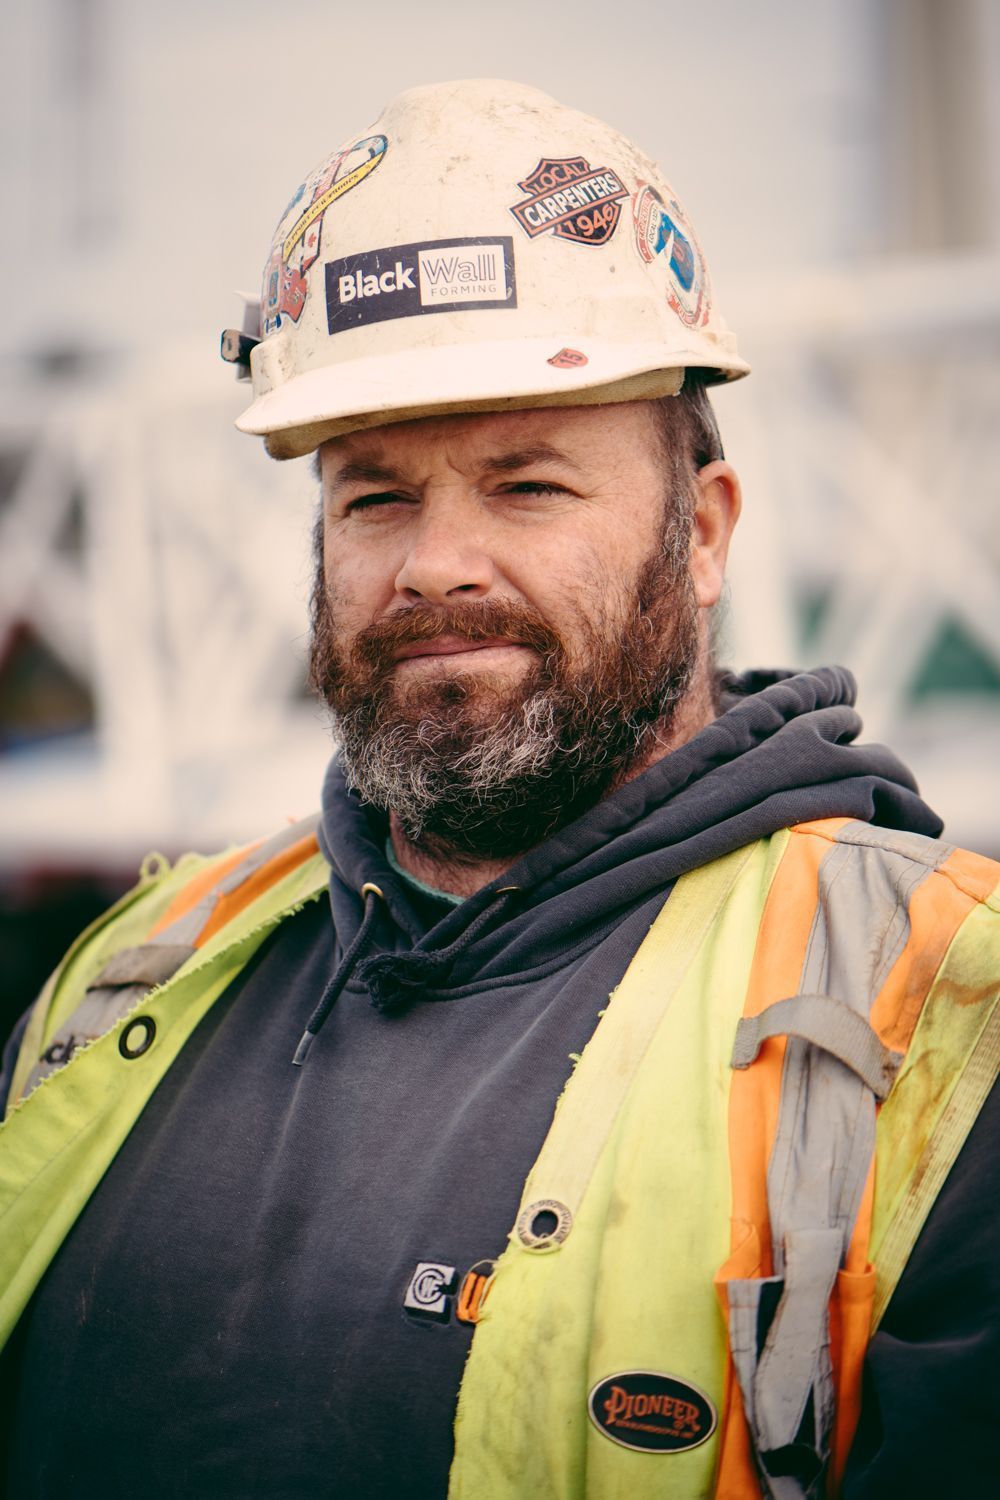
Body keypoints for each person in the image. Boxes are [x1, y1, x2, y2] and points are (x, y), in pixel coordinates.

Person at [0, 80, 996, 1500]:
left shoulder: (949, 1017)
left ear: (701, 537)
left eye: (527, 486)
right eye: (374, 496)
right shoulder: (133, 982)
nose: (434, 566)